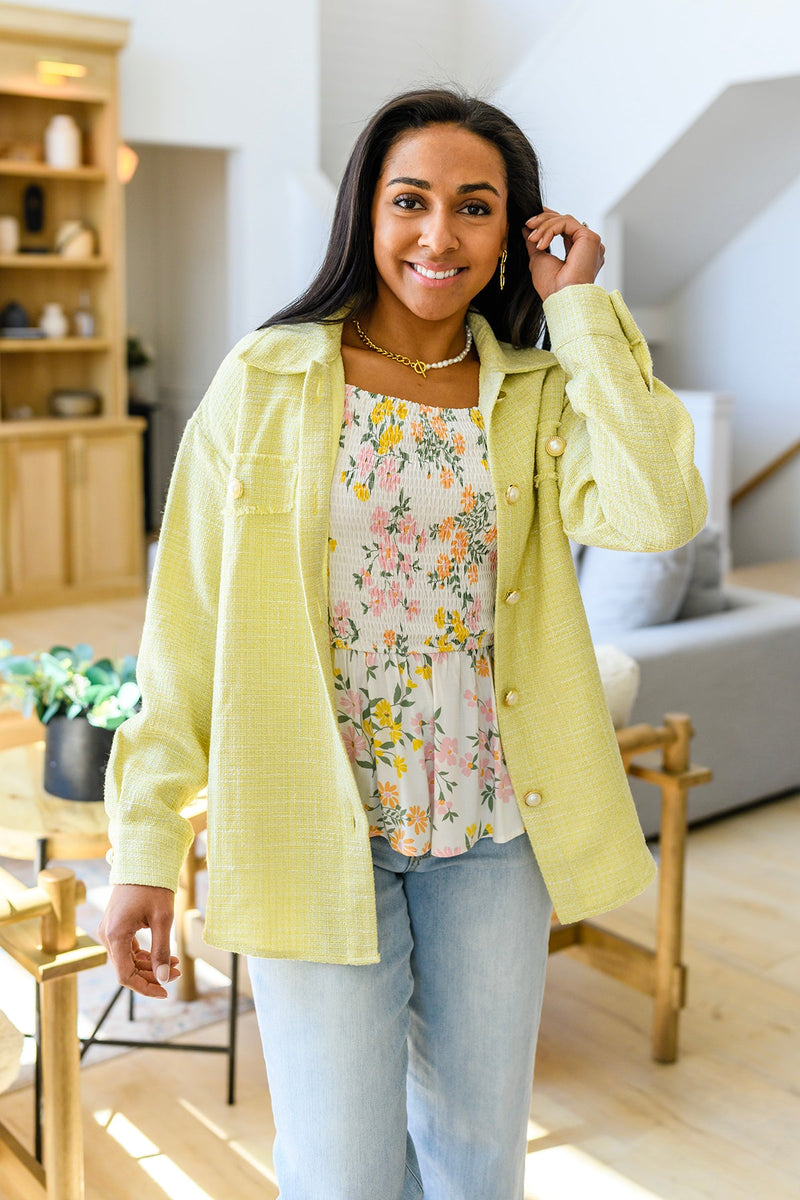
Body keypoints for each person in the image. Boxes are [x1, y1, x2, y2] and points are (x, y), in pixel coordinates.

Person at [99, 87, 707, 1199]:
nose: (438, 235)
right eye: (410, 201)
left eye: (474, 208)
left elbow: (658, 508)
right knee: (343, 1177)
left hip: (488, 832)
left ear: (515, 230)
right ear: (364, 215)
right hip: (307, 830)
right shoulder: (266, 381)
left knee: (478, 1170)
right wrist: (143, 846)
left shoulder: (532, 397)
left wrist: (576, 314)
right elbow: (183, 626)